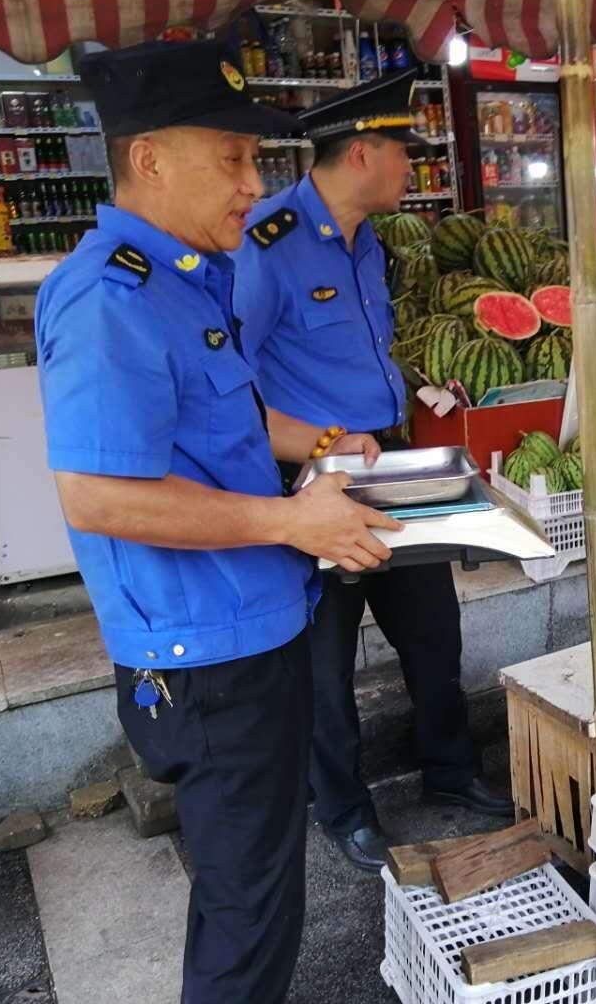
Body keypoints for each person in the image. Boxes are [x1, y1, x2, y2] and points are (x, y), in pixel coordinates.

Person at [35, 39, 398, 1003]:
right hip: (205, 657)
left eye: (254, 159)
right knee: (250, 904)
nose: (254, 182)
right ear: (148, 159)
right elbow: (98, 495)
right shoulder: (110, 298)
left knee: (264, 887)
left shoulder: (184, 274)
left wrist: (326, 439)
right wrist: (290, 524)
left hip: (252, 625)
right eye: (232, 158)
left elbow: (222, 417)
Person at [232, 74, 513, 874]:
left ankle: (452, 772)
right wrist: (313, 450)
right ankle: (346, 809)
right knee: (325, 661)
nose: (409, 169)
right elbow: (233, 391)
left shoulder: (368, 241)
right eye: (401, 153)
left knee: (432, 632)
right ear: (361, 152)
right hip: (317, 480)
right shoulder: (267, 246)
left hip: (392, 461)